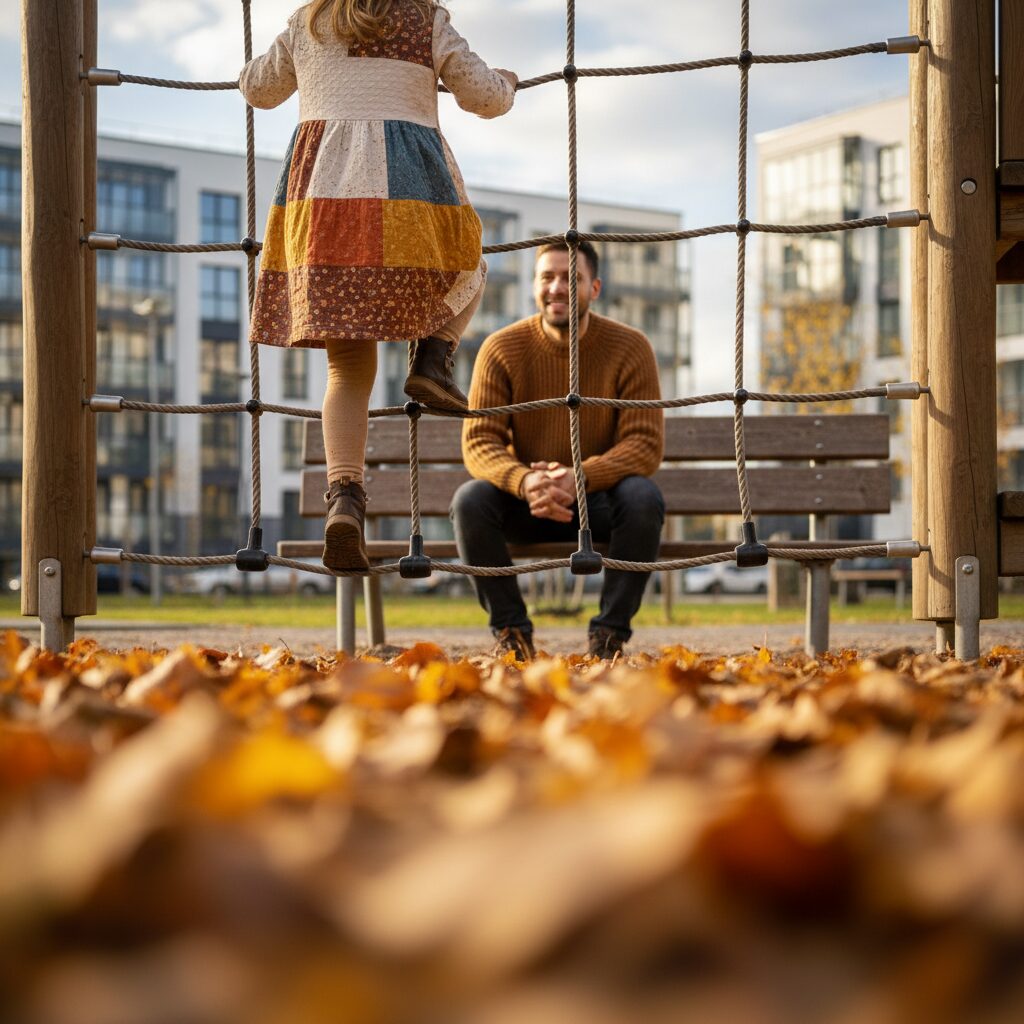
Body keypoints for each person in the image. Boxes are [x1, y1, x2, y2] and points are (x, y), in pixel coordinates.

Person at [239, 0, 517, 571]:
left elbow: (260, 91)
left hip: (324, 206)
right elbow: (483, 98)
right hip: (409, 192)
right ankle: (433, 358)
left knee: (346, 369)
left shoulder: (308, 21)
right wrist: (507, 85)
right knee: (468, 264)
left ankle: (345, 495)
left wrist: (246, 72)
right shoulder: (426, 19)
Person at [451, 240, 665, 660]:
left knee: (643, 497)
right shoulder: (500, 349)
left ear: (595, 288)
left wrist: (577, 478)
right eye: (547, 277)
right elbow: (480, 441)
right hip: (527, 503)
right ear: (534, 285)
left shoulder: (631, 347)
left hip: (599, 506)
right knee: (470, 501)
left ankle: (608, 637)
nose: (557, 287)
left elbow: (644, 445)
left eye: (572, 278)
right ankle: (512, 633)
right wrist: (527, 480)